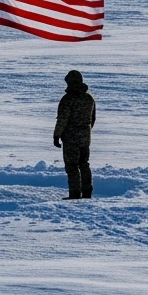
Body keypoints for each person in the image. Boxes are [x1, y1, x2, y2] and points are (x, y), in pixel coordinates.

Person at [53, 69, 96, 199]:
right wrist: (85, 132)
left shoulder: (68, 99)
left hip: (71, 137)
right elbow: (92, 118)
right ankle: (87, 192)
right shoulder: (89, 98)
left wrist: (56, 135)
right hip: (85, 137)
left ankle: (75, 193)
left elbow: (62, 119)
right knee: (84, 163)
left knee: (72, 166)